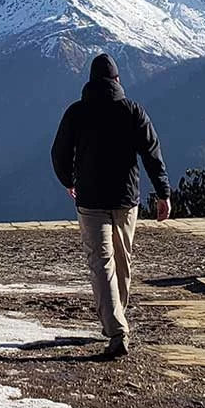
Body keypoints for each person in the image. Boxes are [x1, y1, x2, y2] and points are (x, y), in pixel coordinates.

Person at [51, 53, 171, 359]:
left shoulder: (76, 113)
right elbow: (152, 154)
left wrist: (69, 181)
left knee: (100, 262)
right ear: (118, 80)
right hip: (125, 200)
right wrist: (163, 193)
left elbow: (59, 152)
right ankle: (116, 320)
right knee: (122, 261)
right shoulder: (133, 111)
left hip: (90, 200)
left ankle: (116, 326)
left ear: (90, 81)